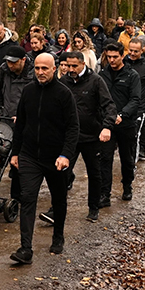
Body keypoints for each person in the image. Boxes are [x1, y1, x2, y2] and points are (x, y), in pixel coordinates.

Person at [8, 54, 79, 264]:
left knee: (58, 199)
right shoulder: (28, 92)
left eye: (45, 68)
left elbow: (73, 128)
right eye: (37, 68)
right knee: (28, 198)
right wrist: (15, 152)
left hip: (55, 157)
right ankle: (25, 248)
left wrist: (66, 154)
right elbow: (20, 124)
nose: (40, 72)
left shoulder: (64, 94)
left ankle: (58, 236)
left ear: (55, 69)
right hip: (30, 155)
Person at [53, 52, 115, 223]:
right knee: (60, 173)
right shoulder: (63, 81)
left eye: (74, 66)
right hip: (70, 137)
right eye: (67, 65)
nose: (70, 69)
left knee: (94, 173)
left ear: (82, 64)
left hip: (91, 136)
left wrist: (106, 127)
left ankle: (93, 207)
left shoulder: (95, 81)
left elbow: (109, 105)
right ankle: (56, 208)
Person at [0, 45, 35, 202]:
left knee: (19, 160)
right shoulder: (4, 70)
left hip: (26, 121)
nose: (11, 65)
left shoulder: (34, 72)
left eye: (14, 62)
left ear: (23, 60)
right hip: (5, 118)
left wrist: (25, 115)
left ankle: (18, 196)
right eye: (8, 62)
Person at [98, 41, 141, 205]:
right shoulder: (102, 75)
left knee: (127, 159)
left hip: (126, 124)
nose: (111, 60)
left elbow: (135, 99)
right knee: (105, 158)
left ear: (122, 56)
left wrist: (123, 114)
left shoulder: (132, 75)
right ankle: (104, 194)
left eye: (115, 57)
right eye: (108, 57)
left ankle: (127, 185)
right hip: (107, 124)